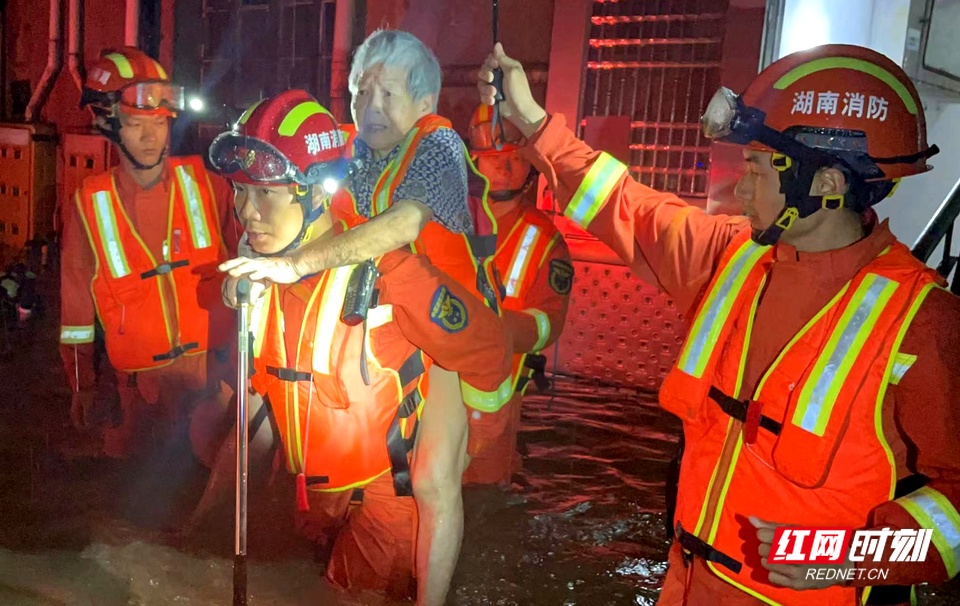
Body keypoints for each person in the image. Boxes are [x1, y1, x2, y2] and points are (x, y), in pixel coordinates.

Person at [478, 43, 960, 605]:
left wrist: (851, 556)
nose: (740, 189)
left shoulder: (922, 320)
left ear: (826, 184)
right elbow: (623, 205)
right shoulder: (733, 257)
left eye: (757, 170)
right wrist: (532, 122)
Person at [218, 30, 511, 604]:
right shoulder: (357, 147)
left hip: (448, 322)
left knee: (432, 478)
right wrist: (254, 254)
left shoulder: (438, 145)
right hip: (392, 302)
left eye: (387, 95)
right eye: (360, 93)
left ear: (423, 103)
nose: (370, 107)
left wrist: (290, 264)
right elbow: (298, 188)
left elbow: (402, 226)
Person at [61, 47, 238, 461]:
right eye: (136, 124)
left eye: (159, 123)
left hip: (210, 385)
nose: (150, 136)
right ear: (109, 124)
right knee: (128, 486)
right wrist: (82, 384)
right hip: (137, 397)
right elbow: (76, 308)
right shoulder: (91, 204)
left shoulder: (209, 186)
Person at [461, 104, 572, 485]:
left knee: (482, 498)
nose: (506, 167)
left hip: (495, 402)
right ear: (473, 159)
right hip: (427, 393)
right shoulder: (445, 220)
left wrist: (492, 329)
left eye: (516, 158)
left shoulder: (546, 240)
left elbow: (549, 324)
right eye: (494, 158)